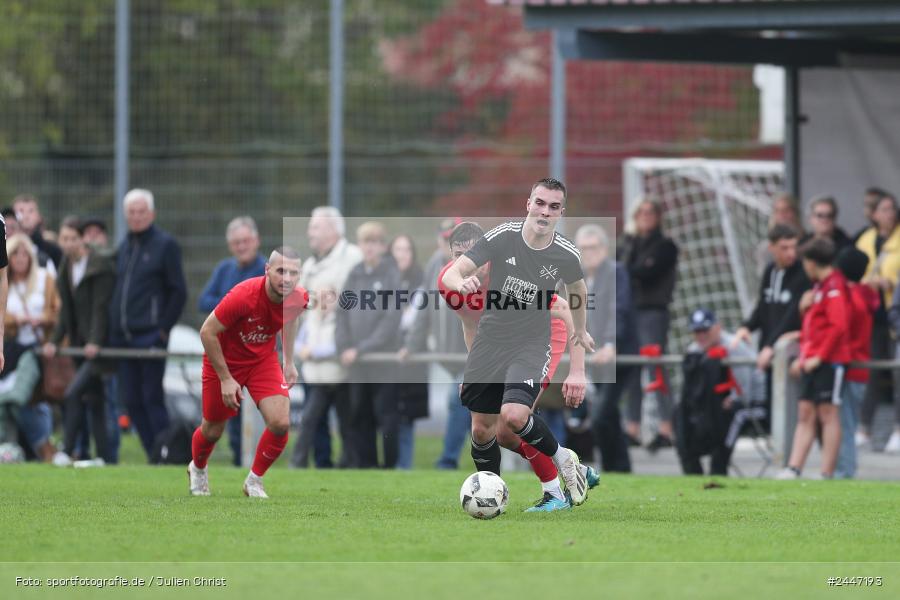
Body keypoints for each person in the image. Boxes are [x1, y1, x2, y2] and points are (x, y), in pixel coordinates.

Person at [441, 177, 594, 505]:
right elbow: (452, 276)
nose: (544, 211)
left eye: (553, 207)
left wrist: (580, 336)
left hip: (531, 343)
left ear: (561, 213)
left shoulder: (565, 253)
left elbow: (578, 294)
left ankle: (564, 462)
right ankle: (491, 498)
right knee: (483, 430)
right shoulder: (501, 237)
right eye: (539, 203)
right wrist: (459, 282)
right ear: (528, 204)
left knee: (512, 417)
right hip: (490, 343)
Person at [188, 247, 308, 498]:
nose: (286, 278)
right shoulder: (243, 296)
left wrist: (288, 361)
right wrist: (225, 378)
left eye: (293, 273)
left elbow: (290, 318)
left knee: (280, 422)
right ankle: (197, 468)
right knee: (213, 429)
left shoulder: (297, 297)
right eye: (280, 271)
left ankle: (254, 480)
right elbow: (206, 332)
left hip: (261, 361)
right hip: (223, 361)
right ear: (267, 270)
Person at [108, 189, 187, 459]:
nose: (137, 216)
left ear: (152, 214)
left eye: (142, 211)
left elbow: (178, 291)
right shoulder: (125, 247)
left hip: (150, 337)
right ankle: (154, 453)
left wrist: (162, 330)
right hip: (125, 340)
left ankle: (167, 453)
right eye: (131, 212)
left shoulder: (165, 245)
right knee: (131, 400)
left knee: (151, 397)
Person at [289, 206, 362, 469]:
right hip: (314, 356)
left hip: (342, 354)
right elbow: (302, 307)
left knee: (345, 419)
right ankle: (322, 464)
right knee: (316, 419)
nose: (310, 232)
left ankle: (346, 463)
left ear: (333, 229)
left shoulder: (353, 258)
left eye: (315, 227)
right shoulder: (309, 266)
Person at [42, 217, 116, 466]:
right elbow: (66, 312)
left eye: (72, 238)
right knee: (94, 400)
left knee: (73, 393)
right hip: (80, 346)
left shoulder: (99, 265)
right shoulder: (66, 266)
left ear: (83, 239)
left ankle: (67, 449)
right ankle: (104, 456)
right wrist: (54, 340)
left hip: (100, 348)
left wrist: (95, 341)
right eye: (64, 238)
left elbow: (101, 308)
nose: (67, 244)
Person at [401, 218, 470, 470]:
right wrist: (411, 344)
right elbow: (423, 311)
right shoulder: (434, 266)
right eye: (446, 239)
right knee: (470, 408)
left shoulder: (478, 268)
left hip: (471, 355)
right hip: (445, 356)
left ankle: (448, 460)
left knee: (458, 400)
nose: (448, 245)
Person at [777, 238, 849, 480]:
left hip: (830, 362)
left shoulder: (836, 287)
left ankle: (826, 472)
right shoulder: (819, 288)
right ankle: (794, 468)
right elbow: (814, 327)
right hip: (813, 360)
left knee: (828, 414)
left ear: (812, 262)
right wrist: (805, 355)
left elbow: (838, 327)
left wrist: (819, 356)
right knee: (806, 412)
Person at [197, 216, 266, 466]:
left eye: (246, 240)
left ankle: (255, 464)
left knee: (261, 412)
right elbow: (203, 300)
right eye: (236, 242)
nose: (241, 246)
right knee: (227, 414)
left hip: (256, 352)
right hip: (227, 353)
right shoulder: (224, 270)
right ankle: (238, 461)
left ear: (256, 241)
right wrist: (232, 307)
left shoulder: (268, 270)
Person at [336, 222, 402, 469]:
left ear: (383, 246)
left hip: (382, 361)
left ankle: (390, 467)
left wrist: (362, 348)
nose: (370, 247)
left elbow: (391, 319)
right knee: (359, 414)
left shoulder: (390, 274)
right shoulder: (354, 273)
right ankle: (366, 466)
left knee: (386, 416)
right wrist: (343, 346)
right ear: (360, 245)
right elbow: (342, 313)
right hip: (356, 362)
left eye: (375, 242)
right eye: (366, 242)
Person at [733, 224, 810, 423]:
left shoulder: (802, 274)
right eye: (784, 248)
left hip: (791, 351)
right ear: (772, 248)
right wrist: (746, 326)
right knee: (771, 409)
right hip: (769, 352)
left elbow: (792, 316)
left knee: (791, 409)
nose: (791, 253)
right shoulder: (770, 271)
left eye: (794, 247)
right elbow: (763, 306)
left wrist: (771, 345)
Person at [618, 198, 678, 449]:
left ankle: (667, 427)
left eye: (650, 213)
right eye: (641, 212)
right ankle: (633, 426)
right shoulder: (629, 243)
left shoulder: (665, 245)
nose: (645, 217)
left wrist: (628, 269)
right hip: (631, 311)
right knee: (632, 368)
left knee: (655, 366)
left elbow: (643, 272)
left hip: (652, 312)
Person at [577, 223, 636, 474]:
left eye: (593, 247)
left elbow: (618, 309)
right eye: (583, 248)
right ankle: (619, 470)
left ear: (603, 248)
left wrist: (611, 344)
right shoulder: (577, 276)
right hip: (595, 357)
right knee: (608, 416)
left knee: (601, 416)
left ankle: (615, 467)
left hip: (618, 355)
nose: (588, 252)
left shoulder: (616, 272)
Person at [677, 309, 764, 476]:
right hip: (716, 405)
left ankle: (719, 467)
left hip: (752, 404)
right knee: (681, 415)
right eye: (697, 331)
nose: (701, 335)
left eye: (705, 330)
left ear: (717, 327)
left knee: (730, 414)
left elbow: (745, 388)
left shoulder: (734, 346)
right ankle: (692, 471)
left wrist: (734, 398)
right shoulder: (694, 350)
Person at [1, 234, 62, 463]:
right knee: (20, 407)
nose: (20, 258)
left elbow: (57, 310)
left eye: (25, 253)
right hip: (9, 349)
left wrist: (41, 319)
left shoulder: (44, 278)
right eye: (15, 253)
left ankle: (42, 449)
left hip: (36, 350)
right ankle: (31, 448)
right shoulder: (4, 281)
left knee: (17, 398)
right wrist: (15, 320)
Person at [292, 280, 354, 469]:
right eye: (320, 297)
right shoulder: (310, 320)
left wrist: (313, 353)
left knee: (346, 425)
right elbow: (298, 343)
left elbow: (339, 346)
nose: (324, 301)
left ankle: (348, 462)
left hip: (338, 378)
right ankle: (302, 462)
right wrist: (302, 350)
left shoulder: (342, 319)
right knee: (311, 421)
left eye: (329, 296)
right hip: (316, 380)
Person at [857, 193, 900, 452]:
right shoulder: (866, 239)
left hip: (893, 313)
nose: (888, 214)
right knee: (870, 370)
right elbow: (855, 271)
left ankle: (897, 428)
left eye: (892, 209)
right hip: (870, 315)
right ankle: (864, 428)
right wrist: (868, 283)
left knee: (897, 372)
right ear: (874, 214)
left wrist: (890, 284)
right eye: (883, 209)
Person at [836, 248, 877, 478]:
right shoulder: (865, 294)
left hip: (850, 368)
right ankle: (842, 470)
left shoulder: (851, 298)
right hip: (858, 369)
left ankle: (845, 473)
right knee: (846, 424)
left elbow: (843, 330)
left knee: (846, 426)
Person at [390, 234, 428, 469]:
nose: (401, 255)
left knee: (405, 417)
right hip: (386, 358)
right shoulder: (384, 280)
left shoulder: (420, 281)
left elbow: (414, 320)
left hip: (409, 363)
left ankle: (403, 467)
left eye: (406, 250)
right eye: (397, 249)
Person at [12, 194, 62, 273]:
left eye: (31, 211)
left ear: (39, 217)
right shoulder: (5, 247)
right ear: (12, 216)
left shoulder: (54, 251)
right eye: (21, 211)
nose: (26, 215)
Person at [756, 192, 803, 275]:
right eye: (778, 211)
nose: (782, 215)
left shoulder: (807, 242)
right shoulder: (765, 248)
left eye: (786, 210)